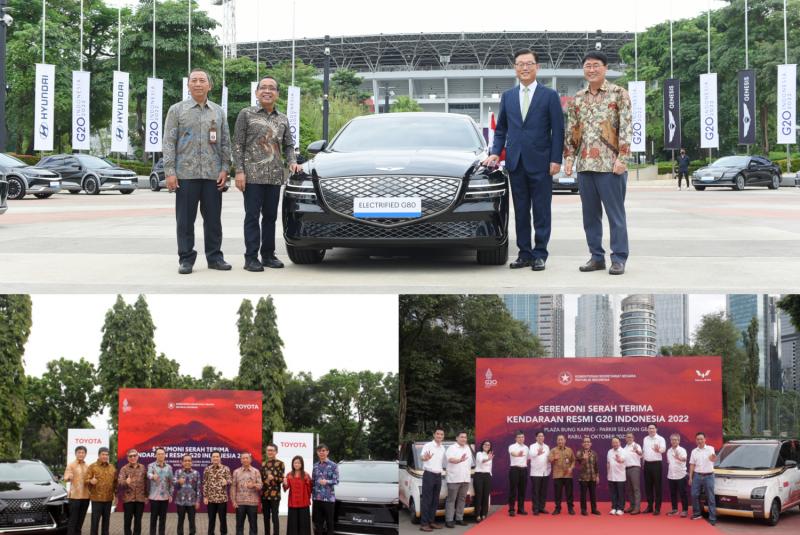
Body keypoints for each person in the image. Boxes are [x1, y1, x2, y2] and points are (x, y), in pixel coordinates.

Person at [483, 49, 564, 272]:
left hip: (542, 162)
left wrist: (556, 159)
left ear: (537, 67)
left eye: (529, 63)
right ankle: (524, 253)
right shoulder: (508, 96)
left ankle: (540, 254)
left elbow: (558, 130)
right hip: (515, 163)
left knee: (541, 210)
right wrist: (495, 152)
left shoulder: (549, 96)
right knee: (520, 211)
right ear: (515, 68)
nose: (525, 68)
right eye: (520, 64)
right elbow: (501, 130)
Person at [564, 50, 633, 276]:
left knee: (615, 215)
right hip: (585, 165)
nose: (591, 70)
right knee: (590, 215)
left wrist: (622, 158)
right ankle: (596, 257)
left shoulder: (618, 94)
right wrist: (569, 158)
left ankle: (619, 258)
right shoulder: (578, 98)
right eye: (587, 66)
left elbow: (626, 128)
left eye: (596, 65)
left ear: (605, 68)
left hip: (611, 166)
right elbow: (572, 131)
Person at [163, 67, 232, 275]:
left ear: (210, 85)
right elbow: (169, 141)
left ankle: (215, 257)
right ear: (188, 85)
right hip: (185, 175)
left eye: (202, 80)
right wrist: (169, 171)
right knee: (184, 221)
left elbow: (225, 142)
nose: (198, 84)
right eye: (194, 80)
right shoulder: (177, 110)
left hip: (213, 175)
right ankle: (186, 259)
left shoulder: (218, 111)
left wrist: (225, 168)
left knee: (213, 220)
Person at [233, 76, 303, 272]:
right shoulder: (246, 114)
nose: (267, 91)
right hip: (252, 176)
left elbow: (289, 145)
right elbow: (237, 144)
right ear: (256, 93)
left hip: (274, 176)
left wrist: (292, 162)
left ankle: (268, 255)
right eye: (263, 87)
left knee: (271, 217)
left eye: (272, 88)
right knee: (252, 216)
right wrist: (239, 171)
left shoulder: (282, 118)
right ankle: (251, 257)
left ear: (277, 94)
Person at [85, 447, 117, 535]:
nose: (105, 456)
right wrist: (91, 481)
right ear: (99, 455)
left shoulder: (112, 467)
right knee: (95, 522)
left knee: (106, 522)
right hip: (96, 499)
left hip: (108, 499)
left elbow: (115, 482)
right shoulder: (92, 466)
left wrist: (116, 495)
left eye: (107, 455)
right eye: (103, 454)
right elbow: (85, 480)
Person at [419, 428, 445, 532]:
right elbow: (422, 457)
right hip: (429, 475)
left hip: (438, 475)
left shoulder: (442, 448)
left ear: (443, 436)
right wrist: (426, 458)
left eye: (441, 434)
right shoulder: (427, 445)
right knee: (427, 500)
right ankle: (424, 524)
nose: (439, 436)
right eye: (437, 434)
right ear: (434, 435)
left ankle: (431, 521)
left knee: (435, 500)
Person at [689, 432, 717, 526]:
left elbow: (713, 459)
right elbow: (692, 464)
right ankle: (697, 513)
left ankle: (712, 517)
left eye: (701, 439)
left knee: (710, 497)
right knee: (694, 494)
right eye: (698, 439)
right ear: (696, 440)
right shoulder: (694, 451)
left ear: (705, 439)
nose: (699, 441)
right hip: (697, 475)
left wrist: (713, 458)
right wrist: (690, 477)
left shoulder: (710, 448)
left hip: (709, 476)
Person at [444, 432, 471, 527]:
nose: (464, 439)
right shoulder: (452, 448)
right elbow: (450, 459)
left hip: (465, 478)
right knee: (451, 500)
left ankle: (459, 518)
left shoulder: (467, 448)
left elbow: (469, 463)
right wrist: (459, 460)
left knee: (462, 499)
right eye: (462, 437)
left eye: (465, 437)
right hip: (454, 478)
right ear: (457, 438)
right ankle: (449, 520)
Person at [117, 449, 147, 535]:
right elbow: (120, 482)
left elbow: (146, 482)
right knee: (127, 522)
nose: (133, 457)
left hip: (140, 499)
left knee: (138, 522)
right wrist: (126, 482)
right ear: (127, 458)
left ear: (137, 457)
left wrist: (146, 496)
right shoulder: (124, 469)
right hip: (128, 500)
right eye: (130, 456)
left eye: (134, 456)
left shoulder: (143, 467)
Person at [203, 450, 233, 535]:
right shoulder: (207, 469)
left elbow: (231, 480)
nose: (215, 458)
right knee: (211, 519)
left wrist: (226, 482)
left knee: (223, 519)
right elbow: (205, 483)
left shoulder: (225, 468)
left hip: (222, 499)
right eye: (214, 457)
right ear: (211, 458)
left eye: (217, 456)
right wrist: (205, 496)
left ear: (220, 458)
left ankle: (223, 533)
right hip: (211, 499)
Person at [232, 452, 262, 535]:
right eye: (243, 458)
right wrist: (234, 501)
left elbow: (260, 486)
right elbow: (233, 486)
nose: (245, 459)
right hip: (239, 503)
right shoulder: (236, 472)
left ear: (251, 460)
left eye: (247, 458)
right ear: (241, 460)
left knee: (253, 526)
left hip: (253, 503)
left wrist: (254, 485)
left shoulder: (256, 471)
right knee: (239, 526)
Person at [312, 444, 339, 535]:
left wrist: (327, 481)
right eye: (319, 451)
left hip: (329, 498)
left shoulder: (333, 465)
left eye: (323, 450)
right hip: (317, 498)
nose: (321, 452)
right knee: (318, 522)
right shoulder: (315, 466)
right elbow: (313, 481)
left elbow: (336, 480)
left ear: (327, 452)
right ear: (317, 453)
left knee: (329, 522)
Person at [63, 446, 90, 535]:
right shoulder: (71, 465)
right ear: (76, 454)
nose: (81, 454)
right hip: (74, 497)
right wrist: (68, 477)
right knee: (72, 521)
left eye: (83, 452)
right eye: (79, 452)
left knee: (80, 521)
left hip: (86, 497)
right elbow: (66, 477)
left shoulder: (87, 466)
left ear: (85, 454)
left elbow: (90, 479)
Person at [147, 447, 173, 535]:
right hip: (154, 497)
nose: (161, 455)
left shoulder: (169, 467)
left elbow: (171, 482)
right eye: (159, 454)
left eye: (162, 454)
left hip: (165, 497)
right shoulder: (151, 465)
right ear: (155, 455)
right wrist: (152, 476)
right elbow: (148, 474)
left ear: (165, 455)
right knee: (153, 518)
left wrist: (170, 494)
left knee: (163, 519)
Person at [547, 434, 576, 515]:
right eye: (559, 440)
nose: (560, 441)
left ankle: (570, 508)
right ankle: (557, 508)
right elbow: (549, 460)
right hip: (557, 475)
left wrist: (571, 468)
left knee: (569, 493)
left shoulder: (569, 450)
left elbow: (573, 460)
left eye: (561, 439)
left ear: (565, 440)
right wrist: (554, 458)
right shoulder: (553, 450)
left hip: (568, 475)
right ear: (557, 441)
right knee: (557, 493)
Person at [260, 443, 285, 535]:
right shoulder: (263, 464)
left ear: (276, 452)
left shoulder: (281, 464)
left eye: (272, 450)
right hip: (264, 495)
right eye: (268, 450)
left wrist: (273, 478)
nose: (270, 452)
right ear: (266, 452)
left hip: (275, 495)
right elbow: (261, 480)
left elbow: (282, 479)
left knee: (275, 517)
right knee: (266, 517)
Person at [283, 456, 312, 535]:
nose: (297, 464)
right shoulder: (289, 475)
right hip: (293, 503)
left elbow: (310, 488)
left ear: (302, 464)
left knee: (304, 524)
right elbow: (286, 488)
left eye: (299, 463)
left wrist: (308, 497)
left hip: (304, 502)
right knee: (293, 524)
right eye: (295, 463)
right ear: (292, 464)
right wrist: (285, 483)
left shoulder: (306, 475)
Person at [642, 423, 666, 515]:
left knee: (657, 487)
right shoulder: (645, 439)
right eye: (649, 428)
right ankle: (650, 506)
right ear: (647, 429)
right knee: (648, 487)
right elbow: (644, 452)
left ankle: (657, 508)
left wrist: (658, 450)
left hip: (656, 464)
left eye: (653, 428)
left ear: (656, 429)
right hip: (647, 464)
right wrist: (643, 463)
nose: (651, 430)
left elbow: (663, 449)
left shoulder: (660, 439)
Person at [174, 455, 201, 535]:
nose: (187, 462)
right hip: (180, 501)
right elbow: (173, 483)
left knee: (192, 521)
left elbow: (198, 488)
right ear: (182, 462)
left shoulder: (196, 473)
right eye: (185, 461)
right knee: (180, 521)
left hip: (192, 502)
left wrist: (198, 501)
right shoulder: (178, 472)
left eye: (189, 461)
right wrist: (178, 481)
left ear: (191, 462)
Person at [575, 436, 601, 516]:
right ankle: (583, 510)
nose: (586, 443)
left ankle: (594, 509)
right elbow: (577, 466)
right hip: (583, 478)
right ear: (582, 444)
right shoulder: (579, 453)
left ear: (590, 444)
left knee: (593, 494)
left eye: (588, 442)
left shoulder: (594, 453)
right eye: (585, 442)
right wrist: (584, 459)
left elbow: (596, 466)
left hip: (592, 477)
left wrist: (597, 476)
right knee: (583, 495)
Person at [528, 431, 551, 515]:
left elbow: (548, 459)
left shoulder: (547, 447)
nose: (541, 437)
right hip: (535, 473)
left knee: (543, 491)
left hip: (545, 472)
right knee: (536, 492)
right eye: (539, 436)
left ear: (544, 437)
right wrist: (538, 453)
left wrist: (549, 469)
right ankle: (535, 509)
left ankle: (542, 507)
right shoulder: (532, 446)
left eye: (542, 436)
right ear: (536, 437)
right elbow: (531, 455)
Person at [666, 434, 689, 517]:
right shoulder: (668, 451)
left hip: (681, 475)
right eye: (672, 440)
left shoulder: (682, 450)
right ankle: (674, 510)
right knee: (673, 494)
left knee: (682, 493)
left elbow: (684, 459)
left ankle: (685, 510)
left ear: (679, 441)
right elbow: (669, 462)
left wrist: (678, 458)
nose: (674, 441)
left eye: (675, 440)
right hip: (671, 475)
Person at [507, 430, 529, 516]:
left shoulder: (526, 447)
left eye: (522, 437)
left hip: (524, 470)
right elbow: (513, 453)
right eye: (519, 437)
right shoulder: (512, 446)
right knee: (513, 490)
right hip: (514, 470)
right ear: (516, 438)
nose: (521, 439)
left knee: (522, 491)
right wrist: (518, 455)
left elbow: (528, 458)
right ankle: (511, 509)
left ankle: (521, 509)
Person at [473, 441, 493, 523]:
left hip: (487, 476)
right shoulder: (479, 454)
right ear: (482, 445)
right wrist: (488, 458)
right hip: (479, 476)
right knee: (479, 495)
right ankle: (477, 515)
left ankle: (484, 514)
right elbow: (482, 461)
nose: (487, 446)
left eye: (488, 445)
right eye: (485, 444)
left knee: (486, 495)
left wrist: (490, 474)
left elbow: (490, 466)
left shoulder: (490, 454)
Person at [623, 432, 643, 514]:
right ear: (625, 438)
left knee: (636, 489)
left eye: (630, 437)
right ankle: (632, 506)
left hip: (635, 468)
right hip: (626, 469)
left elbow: (641, 454)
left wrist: (637, 451)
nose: (629, 438)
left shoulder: (636, 446)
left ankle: (637, 508)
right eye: (628, 437)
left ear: (633, 438)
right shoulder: (624, 448)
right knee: (629, 489)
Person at [606, 437, 627, 516]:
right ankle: (614, 508)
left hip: (620, 476)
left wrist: (619, 460)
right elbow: (608, 463)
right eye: (613, 442)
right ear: (612, 443)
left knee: (620, 493)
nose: (615, 444)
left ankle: (620, 509)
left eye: (616, 442)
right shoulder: (609, 451)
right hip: (611, 476)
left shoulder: (623, 451)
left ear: (620, 443)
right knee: (613, 493)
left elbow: (622, 460)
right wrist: (608, 473)